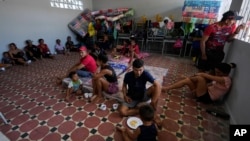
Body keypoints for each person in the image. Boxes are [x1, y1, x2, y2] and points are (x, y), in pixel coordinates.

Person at [162, 63, 236, 103]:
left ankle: (187, 77)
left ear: (226, 73)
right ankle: (166, 88)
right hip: (203, 92)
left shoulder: (226, 79)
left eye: (218, 72)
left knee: (201, 77)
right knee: (187, 81)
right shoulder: (221, 77)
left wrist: (200, 75)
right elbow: (209, 84)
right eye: (216, 72)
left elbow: (207, 76)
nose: (216, 73)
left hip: (207, 98)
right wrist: (197, 88)